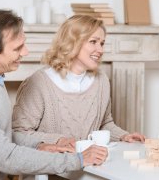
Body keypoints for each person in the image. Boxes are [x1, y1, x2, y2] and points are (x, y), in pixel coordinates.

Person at [0, 8, 107, 179]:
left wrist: (41, 144)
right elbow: (7, 157)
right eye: (17, 48)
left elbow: (2, 138)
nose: (25, 52)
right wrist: (77, 160)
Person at [12, 14, 145, 151]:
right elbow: (18, 134)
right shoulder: (39, 82)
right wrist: (58, 140)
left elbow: (104, 124)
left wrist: (124, 136)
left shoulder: (101, 80)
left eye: (102, 43)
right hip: (49, 170)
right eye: (93, 42)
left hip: (88, 165)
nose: (100, 50)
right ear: (72, 42)